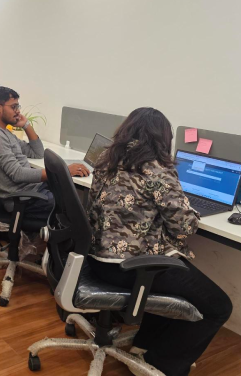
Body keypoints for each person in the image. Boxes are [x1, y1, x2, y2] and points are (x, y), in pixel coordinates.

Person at [86, 107, 232, 376]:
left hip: (97, 260)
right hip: (132, 268)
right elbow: (184, 228)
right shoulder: (157, 169)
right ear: (162, 138)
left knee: (175, 277)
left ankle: (143, 345)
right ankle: (161, 363)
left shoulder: (106, 159)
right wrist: (191, 210)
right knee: (219, 307)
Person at [0, 85, 89, 219]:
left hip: (30, 191)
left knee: (71, 199)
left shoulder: (4, 132)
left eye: (18, 106)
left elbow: (37, 152)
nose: (18, 111)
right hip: (22, 199)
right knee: (76, 210)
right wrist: (63, 171)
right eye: (13, 107)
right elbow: (18, 174)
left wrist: (26, 125)